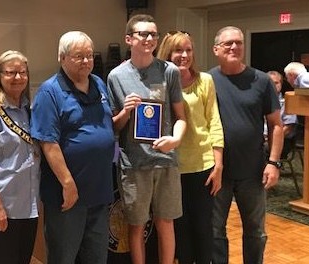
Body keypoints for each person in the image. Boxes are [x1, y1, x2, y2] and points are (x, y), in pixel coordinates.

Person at [107, 14, 187, 264]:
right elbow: (114, 127)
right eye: (144, 34)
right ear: (129, 39)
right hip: (134, 164)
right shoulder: (116, 77)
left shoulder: (169, 71)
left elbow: (181, 117)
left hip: (165, 161)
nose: (150, 38)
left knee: (166, 223)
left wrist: (175, 139)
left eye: (154, 34)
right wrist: (126, 112)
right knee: (136, 225)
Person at [30, 31, 115, 264]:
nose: (87, 61)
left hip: (99, 190)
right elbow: (48, 142)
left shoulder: (98, 83)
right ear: (62, 57)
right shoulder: (49, 92)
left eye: (89, 55)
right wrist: (68, 184)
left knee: (96, 257)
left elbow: (104, 127)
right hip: (68, 196)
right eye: (79, 56)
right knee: (64, 257)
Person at [208, 26, 283, 264]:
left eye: (239, 42)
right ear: (216, 49)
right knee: (215, 232)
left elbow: (276, 125)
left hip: (253, 171)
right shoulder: (207, 81)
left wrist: (273, 162)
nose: (234, 47)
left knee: (256, 233)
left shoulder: (261, 81)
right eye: (228, 43)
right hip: (218, 170)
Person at [157, 31, 224, 263]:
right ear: (167, 53)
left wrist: (218, 165)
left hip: (203, 165)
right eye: (178, 50)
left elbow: (214, 121)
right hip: (171, 167)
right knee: (180, 229)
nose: (184, 55)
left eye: (188, 50)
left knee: (204, 228)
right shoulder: (159, 83)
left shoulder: (205, 80)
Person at [0, 50, 41, 264]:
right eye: (11, 72)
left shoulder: (28, 110)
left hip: (28, 206)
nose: (17, 77)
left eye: (22, 72)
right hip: (2, 205)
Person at [265, 71, 298, 159]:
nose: (273, 85)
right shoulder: (259, 102)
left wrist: (270, 139)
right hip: (260, 139)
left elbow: (288, 128)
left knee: (259, 150)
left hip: (282, 140)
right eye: (270, 83)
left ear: (281, 84)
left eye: (276, 83)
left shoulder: (288, 103)